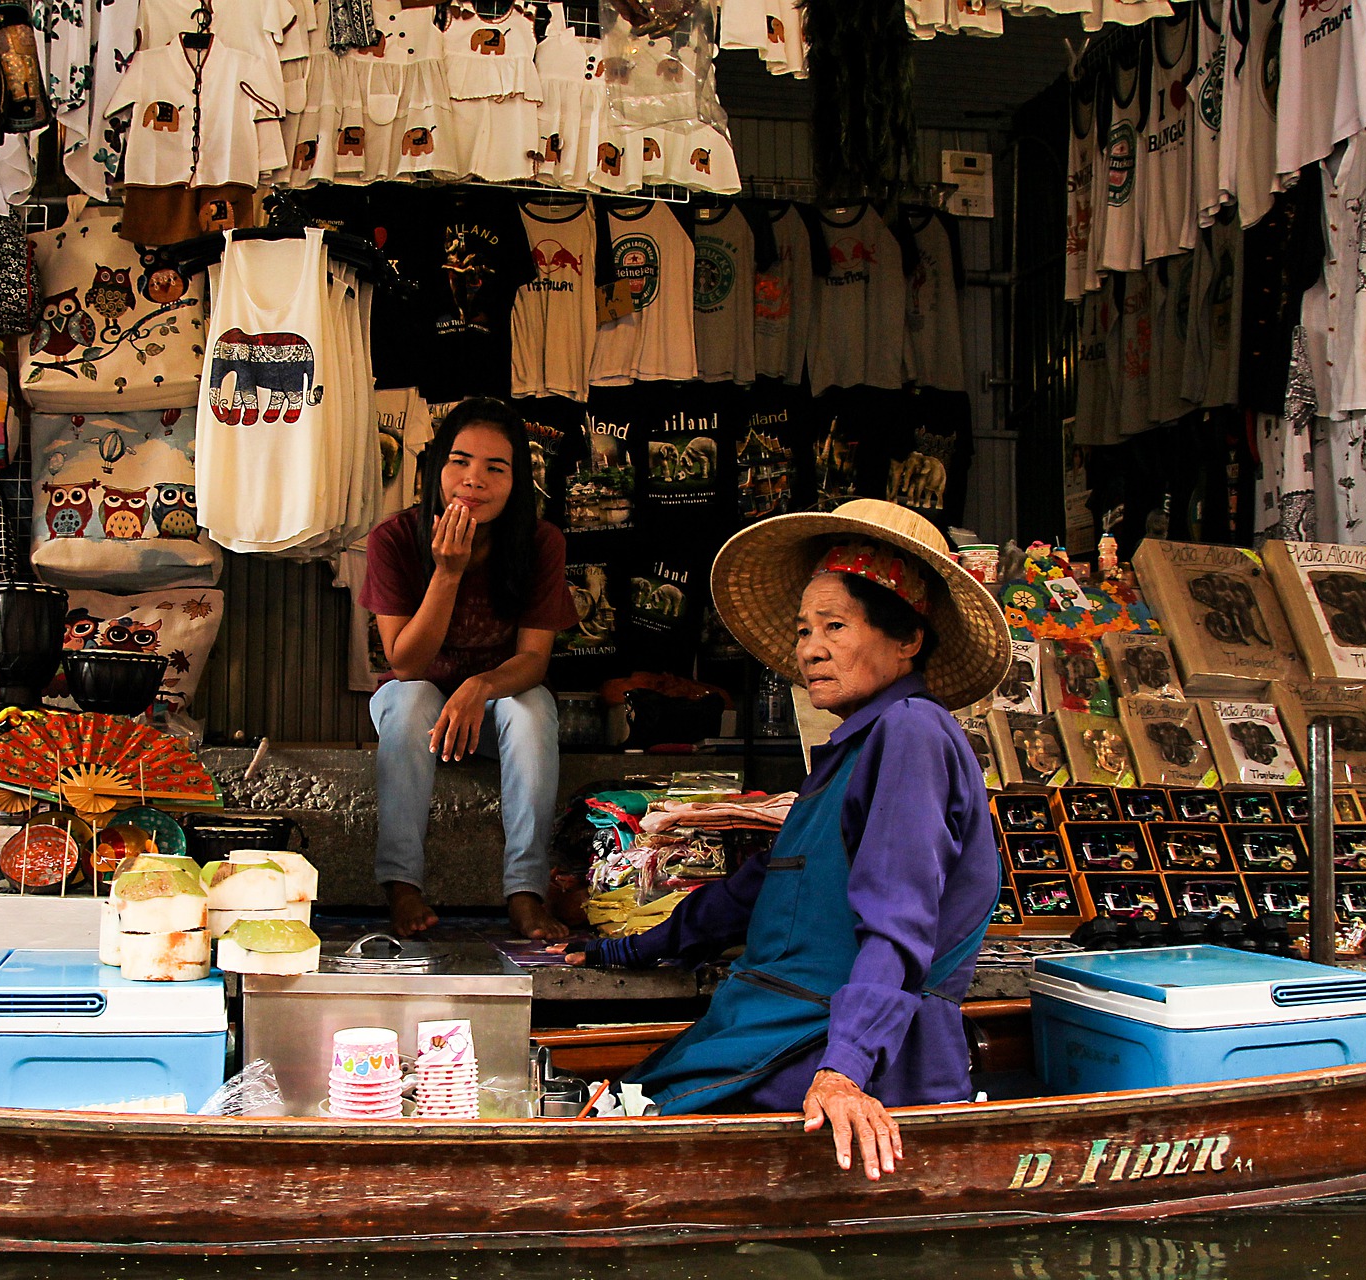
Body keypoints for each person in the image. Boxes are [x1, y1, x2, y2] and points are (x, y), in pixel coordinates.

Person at [567, 499, 1010, 1180]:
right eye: (804, 630)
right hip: (769, 1026)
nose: (809, 649)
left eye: (835, 626)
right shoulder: (847, 753)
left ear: (907, 639)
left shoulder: (912, 733)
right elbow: (764, 885)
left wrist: (844, 1069)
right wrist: (618, 948)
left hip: (835, 1046)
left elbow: (901, 921)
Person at [362, 397, 581, 941]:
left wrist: (478, 687)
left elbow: (533, 659)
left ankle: (526, 892)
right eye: (459, 461)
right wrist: (447, 573)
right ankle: (401, 885)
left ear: (517, 481)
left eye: (494, 468)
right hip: (416, 709)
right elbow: (406, 663)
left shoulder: (539, 542)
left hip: (493, 709)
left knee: (532, 708)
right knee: (412, 698)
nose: (473, 480)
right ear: (437, 466)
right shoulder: (393, 539)